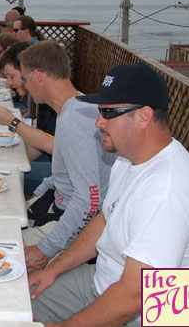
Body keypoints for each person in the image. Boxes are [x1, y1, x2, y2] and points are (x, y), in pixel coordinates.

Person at [30, 63, 189, 326]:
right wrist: (52, 269)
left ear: (144, 116)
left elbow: (136, 295)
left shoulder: (166, 192)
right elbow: (105, 219)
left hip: (151, 312)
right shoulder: (128, 159)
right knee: (15, 300)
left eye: (108, 113)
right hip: (104, 282)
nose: (98, 122)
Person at [18, 41, 116, 272]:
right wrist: (35, 197)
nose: (24, 86)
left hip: (75, 225)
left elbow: (89, 202)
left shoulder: (74, 122)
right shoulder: (76, 105)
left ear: (39, 76)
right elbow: (64, 175)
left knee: (3, 255)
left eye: (24, 78)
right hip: (57, 205)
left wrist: (45, 250)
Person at [0, 42, 56, 195]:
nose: (8, 83)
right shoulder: (45, 99)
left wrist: (12, 121)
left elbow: (48, 145)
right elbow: (39, 140)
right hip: (51, 160)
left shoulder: (55, 102)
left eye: (11, 76)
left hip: (58, 171)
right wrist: (19, 159)